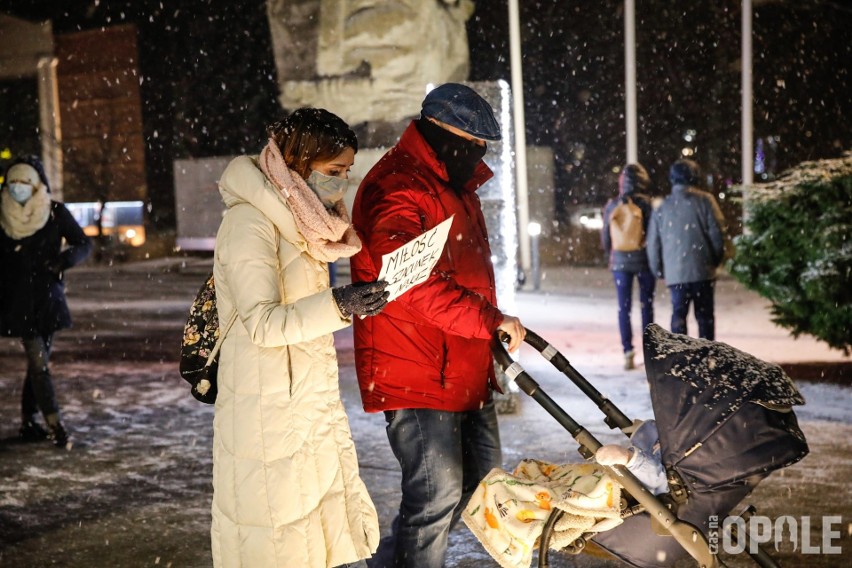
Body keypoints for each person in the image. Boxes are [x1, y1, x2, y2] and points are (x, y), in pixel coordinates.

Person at [349, 82, 526, 568]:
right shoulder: (399, 187)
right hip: (418, 369)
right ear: (438, 134)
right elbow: (408, 284)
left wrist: (486, 333)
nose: (477, 154)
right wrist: (489, 320)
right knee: (434, 498)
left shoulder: (451, 183)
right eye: (470, 144)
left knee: (478, 488)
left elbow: (463, 272)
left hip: (463, 363)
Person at [210, 108, 389, 568]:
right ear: (298, 164)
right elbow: (262, 323)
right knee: (280, 541)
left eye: (347, 172)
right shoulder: (250, 222)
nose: (342, 184)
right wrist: (339, 304)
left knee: (317, 539)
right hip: (267, 410)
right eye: (333, 172)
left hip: (305, 402)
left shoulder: (303, 220)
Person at [0, 155, 92, 448]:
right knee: (39, 363)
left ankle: (29, 420)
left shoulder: (53, 212)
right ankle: (55, 424)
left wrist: (63, 261)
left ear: (37, 185)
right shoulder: (1, 213)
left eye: (24, 182)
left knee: (37, 363)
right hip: (16, 301)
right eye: (12, 182)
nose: (18, 188)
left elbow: (84, 243)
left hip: (48, 299)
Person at [646, 159, 729, 340]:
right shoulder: (706, 201)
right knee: (705, 317)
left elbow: (653, 243)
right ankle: (707, 359)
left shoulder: (663, 207)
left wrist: (659, 269)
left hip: (676, 273)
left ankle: (681, 358)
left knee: (678, 315)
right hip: (702, 271)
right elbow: (718, 234)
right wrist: (713, 260)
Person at [601, 163, 656, 370]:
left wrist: (613, 255)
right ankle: (650, 351)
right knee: (646, 305)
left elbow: (606, 237)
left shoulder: (612, 205)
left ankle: (627, 351)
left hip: (620, 263)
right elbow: (654, 235)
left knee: (623, 308)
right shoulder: (647, 205)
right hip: (644, 261)